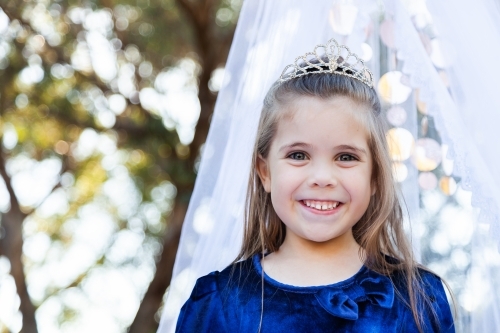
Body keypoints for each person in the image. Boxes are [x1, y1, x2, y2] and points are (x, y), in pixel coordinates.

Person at [174, 38, 455, 333]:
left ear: (374, 177)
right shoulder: (218, 304)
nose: (322, 177)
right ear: (265, 171)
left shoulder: (419, 298)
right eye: (298, 155)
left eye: (345, 157)